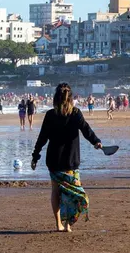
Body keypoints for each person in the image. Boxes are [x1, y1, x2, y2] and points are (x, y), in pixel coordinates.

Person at [31, 83, 103, 233]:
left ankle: (59, 224)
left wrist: (35, 156)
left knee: (56, 191)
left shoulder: (51, 115)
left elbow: (42, 138)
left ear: (55, 98)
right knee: (72, 192)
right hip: (71, 160)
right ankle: (68, 225)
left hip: (54, 160)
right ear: (71, 98)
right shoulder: (76, 113)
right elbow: (86, 130)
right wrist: (96, 141)